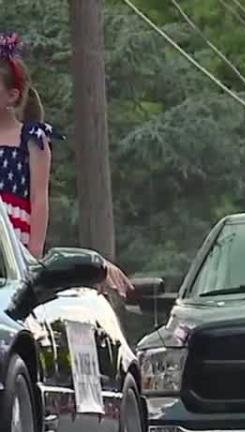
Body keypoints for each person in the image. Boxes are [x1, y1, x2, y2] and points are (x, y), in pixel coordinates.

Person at [1, 33, 132, 296]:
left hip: (13, 237)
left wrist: (34, 254)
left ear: (12, 96)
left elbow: (39, 198)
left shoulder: (31, 138)